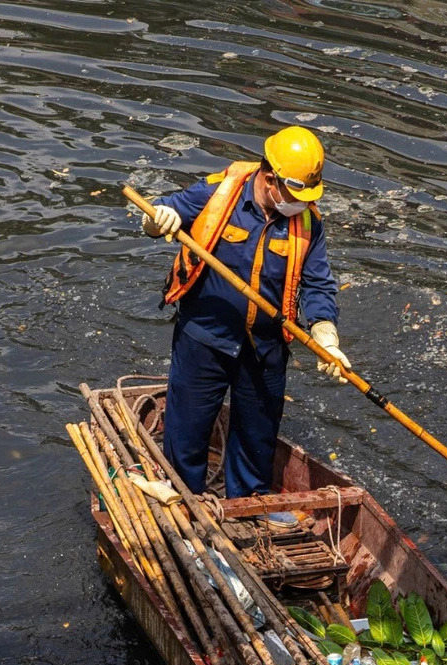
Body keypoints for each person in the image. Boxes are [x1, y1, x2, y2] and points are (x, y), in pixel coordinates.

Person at [140, 126, 349, 503]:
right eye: (295, 193)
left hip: (265, 346)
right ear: (269, 179)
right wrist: (159, 221)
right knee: (188, 430)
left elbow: (318, 285)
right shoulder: (218, 193)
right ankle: (184, 499)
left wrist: (326, 338)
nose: (300, 202)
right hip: (205, 337)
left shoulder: (307, 222)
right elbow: (162, 213)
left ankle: (249, 507)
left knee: (257, 436)